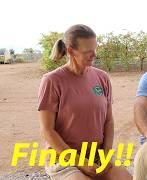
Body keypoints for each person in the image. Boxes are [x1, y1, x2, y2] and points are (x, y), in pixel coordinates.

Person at [38, 24, 132, 180]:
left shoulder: (102, 77)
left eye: (95, 49)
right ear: (70, 51)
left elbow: (108, 121)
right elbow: (47, 131)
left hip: (97, 156)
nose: (94, 55)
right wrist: (80, 162)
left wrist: (106, 155)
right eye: (88, 52)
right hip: (64, 159)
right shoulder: (52, 81)